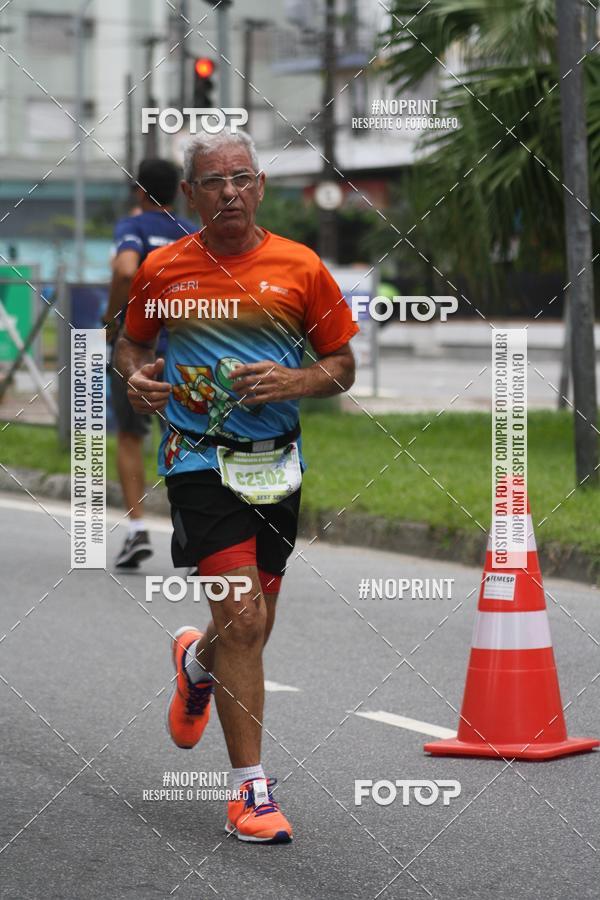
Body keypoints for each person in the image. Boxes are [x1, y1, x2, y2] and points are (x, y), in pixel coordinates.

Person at [115, 130, 358, 843]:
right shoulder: (164, 270)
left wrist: (296, 380)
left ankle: (197, 664)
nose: (229, 192)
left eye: (242, 178)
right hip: (197, 461)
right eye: (214, 182)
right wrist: (136, 375)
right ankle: (249, 793)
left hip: (276, 463)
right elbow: (132, 340)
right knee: (245, 621)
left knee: (249, 626)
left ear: (260, 188)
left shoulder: (300, 266)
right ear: (189, 195)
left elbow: (342, 362)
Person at [104, 159, 196, 568]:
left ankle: (138, 530)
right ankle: (195, 533)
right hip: (186, 348)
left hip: (139, 348)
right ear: (178, 191)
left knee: (129, 433)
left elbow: (125, 271)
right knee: (189, 438)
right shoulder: (194, 232)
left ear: (140, 192)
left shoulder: (133, 227)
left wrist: (113, 320)